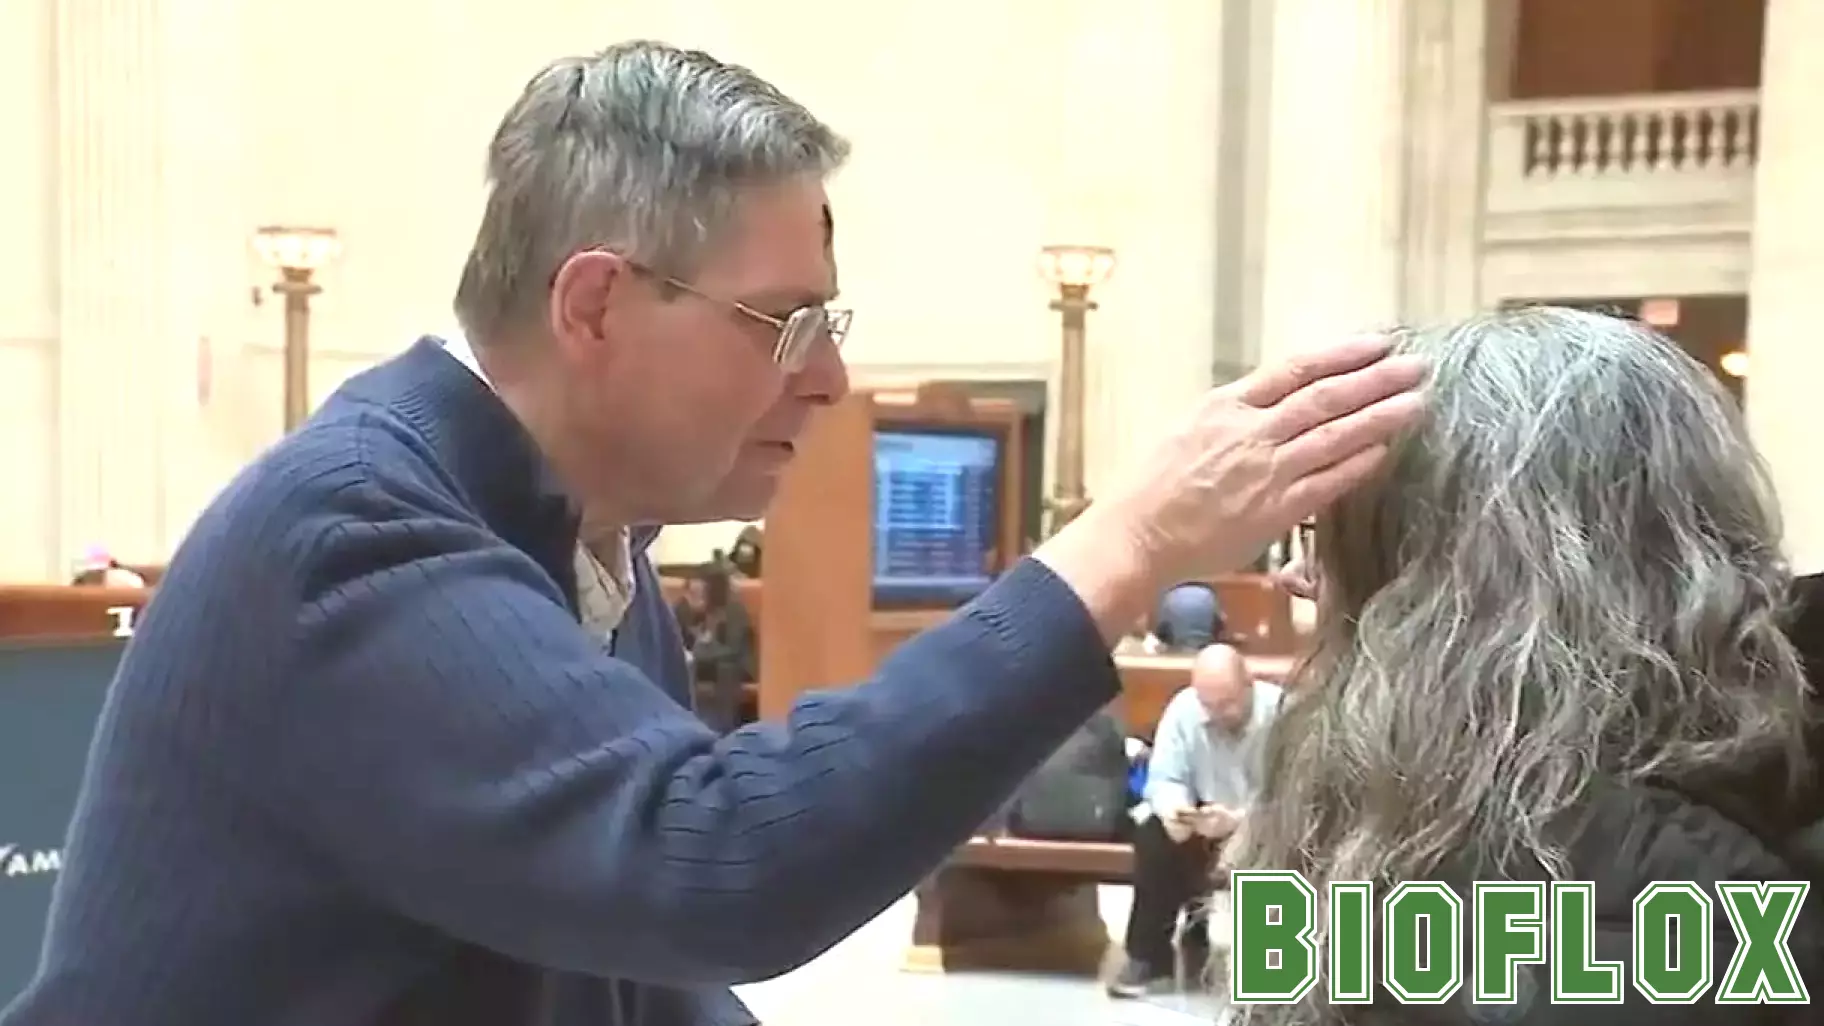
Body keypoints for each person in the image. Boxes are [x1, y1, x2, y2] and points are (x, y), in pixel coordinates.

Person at [0, 41, 1425, 1026]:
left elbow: (634, 980)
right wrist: (1132, 538)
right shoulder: (353, 537)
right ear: (597, 304)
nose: (828, 378)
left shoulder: (598, 558)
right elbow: (713, 859)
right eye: (785, 322)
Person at [1234, 307, 1823, 1026]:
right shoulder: (1459, 819)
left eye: (1337, 533)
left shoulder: (1631, 902)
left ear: (1448, 583)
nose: (1300, 575)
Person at [1109, 643, 1280, 998]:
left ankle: (1275, 961)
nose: (1218, 714)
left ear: (1249, 684)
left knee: (1288, 841)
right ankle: (1147, 959)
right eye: (1210, 705)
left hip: (1263, 823)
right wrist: (1176, 809)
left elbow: (1295, 794)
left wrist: (1238, 821)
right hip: (1202, 819)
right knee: (1155, 835)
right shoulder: (1185, 708)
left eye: (1228, 704)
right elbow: (1165, 778)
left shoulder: (1282, 713)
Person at [674, 563, 756, 732]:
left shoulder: (733, 612)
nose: (691, 599)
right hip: (695, 670)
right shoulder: (682, 610)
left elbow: (733, 651)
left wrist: (698, 653)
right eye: (689, 593)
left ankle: (716, 730)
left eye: (698, 594)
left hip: (733, 669)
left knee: (725, 671)